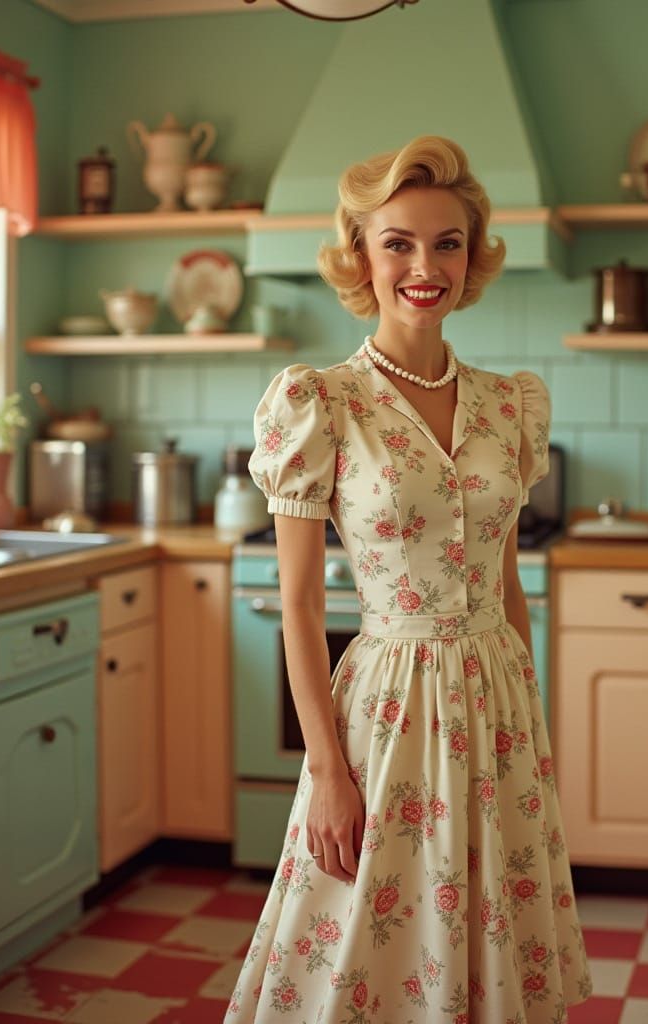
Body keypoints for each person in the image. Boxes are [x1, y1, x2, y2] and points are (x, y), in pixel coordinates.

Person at [224, 135, 592, 1023]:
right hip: (388, 709)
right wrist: (324, 771)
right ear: (362, 255)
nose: (425, 267)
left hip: (497, 701)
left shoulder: (512, 405)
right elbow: (304, 604)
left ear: (473, 257)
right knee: (372, 945)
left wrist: (529, 718)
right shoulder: (323, 402)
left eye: (448, 243)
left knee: (492, 936)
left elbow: (505, 579)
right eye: (398, 243)